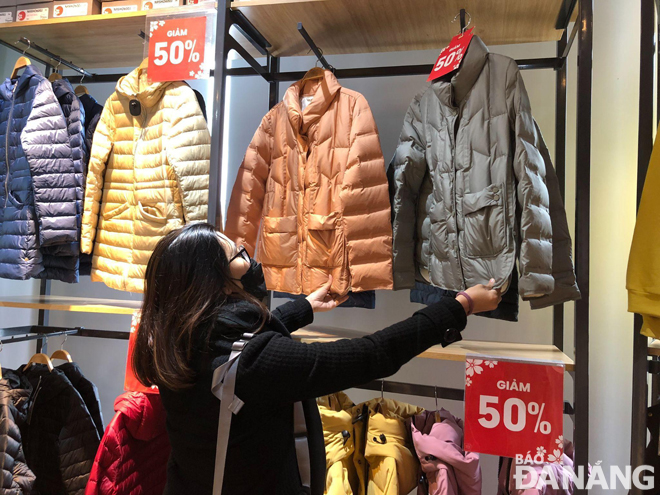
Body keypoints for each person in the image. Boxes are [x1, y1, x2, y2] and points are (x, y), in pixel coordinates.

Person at [132, 223, 502, 495]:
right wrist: (458, 307)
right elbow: (372, 355)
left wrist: (304, 308)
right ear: (213, 281)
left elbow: (244, 340)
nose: (249, 257)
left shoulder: (178, 341)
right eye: (238, 256)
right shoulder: (248, 366)